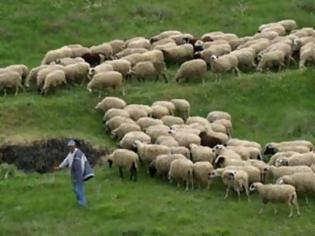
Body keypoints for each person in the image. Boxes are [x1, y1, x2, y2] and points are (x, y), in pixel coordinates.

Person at [55, 140, 90, 207]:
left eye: (71, 147)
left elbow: (83, 164)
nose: (70, 148)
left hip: (79, 173)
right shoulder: (70, 154)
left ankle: (83, 204)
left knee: (78, 188)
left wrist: (81, 174)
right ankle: (80, 202)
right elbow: (66, 160)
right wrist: (59, 167)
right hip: (73, 173)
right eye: (69, 147)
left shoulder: (79, 153)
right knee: (75, 189)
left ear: (74, 146)